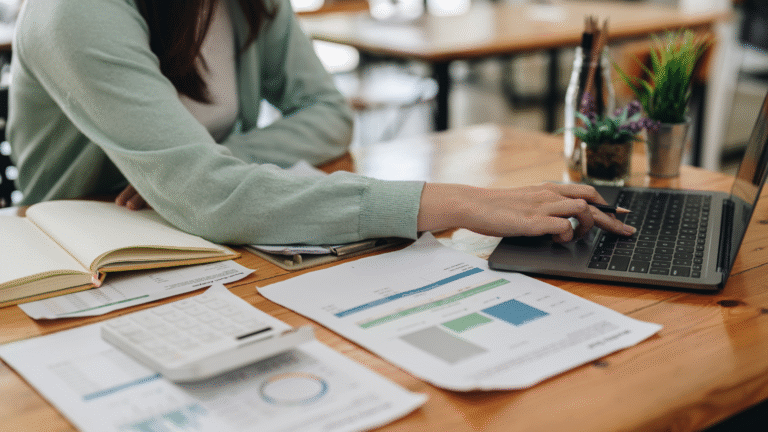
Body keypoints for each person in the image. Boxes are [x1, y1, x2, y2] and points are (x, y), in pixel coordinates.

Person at [8, 0, 635, 246]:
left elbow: (329, 117)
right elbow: (212, 196)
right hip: (78, 261)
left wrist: (194, 171)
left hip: (188, 237)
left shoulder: (249, 4)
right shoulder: (79, 12)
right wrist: (461, 202)